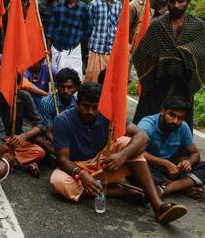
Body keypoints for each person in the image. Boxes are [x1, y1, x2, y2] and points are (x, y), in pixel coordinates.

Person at [50, 82, 188, 224]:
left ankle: (157, 205)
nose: (90, 111)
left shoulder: (109, 114)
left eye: (95, 107)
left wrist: (122, 156)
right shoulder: (63, 120)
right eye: (86, 106)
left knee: (126, 143)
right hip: (77, 166)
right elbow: (62, 159)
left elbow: (142, 137)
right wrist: (81, 174)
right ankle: (119, 191)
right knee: (58, 183)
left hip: (104, 162)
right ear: (77, 104)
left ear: (101, 105)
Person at [132, 0, 205, 132]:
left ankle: (180, 153)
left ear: (188, 2)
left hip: (183, 85)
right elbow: (142, 55)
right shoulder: (157, 25)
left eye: (180, 1)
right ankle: (140, 150)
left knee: (180, 126)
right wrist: (167, 59)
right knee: (146, 127)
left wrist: (181, 54)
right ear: (167, 1)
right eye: (172, 1)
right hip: (157, 84)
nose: (176, 5)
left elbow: (201, 53)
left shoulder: (198, 26)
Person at [139, 96, 205, 200]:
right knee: (137, 169)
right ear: (163, 111)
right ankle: (183, 187)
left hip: (170, 168)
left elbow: (195, 154)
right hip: (149, 164)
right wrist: (166, 164)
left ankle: (164, 190)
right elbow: (136, 152)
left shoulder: (183, 127)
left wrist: (189, 162)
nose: (175, 121)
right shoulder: (147, 124)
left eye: (180, 118)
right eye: (171, 115)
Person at [0, 87, 47, 177]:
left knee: (39, 152)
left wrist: (23, 136)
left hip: (15, 141)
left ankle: (9, 163)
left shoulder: (24, 96)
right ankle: (19, 165)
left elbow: (40, 124)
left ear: (19, 85)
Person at [46, 0, 92, 80]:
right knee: (55, 78)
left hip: (74, 49)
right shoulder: (58, 7)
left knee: (75, 78)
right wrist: (48, 49)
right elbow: (51, 28)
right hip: (56, 48)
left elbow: (88, 30)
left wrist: (78, 42)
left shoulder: (84, 8)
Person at [84, 0, 122, 82]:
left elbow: (119, 28)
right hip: (97, 49)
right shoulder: (94, 4)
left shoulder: (119, 5)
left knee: (109, 82)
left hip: (111, 50)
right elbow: (87, 28)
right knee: (93, 81)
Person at [39, 68, 80, 144]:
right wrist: (62, 145)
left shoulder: (77, 104)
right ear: (57, 87)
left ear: (75, 88)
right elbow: (48, 132)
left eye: (69, 87)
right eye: (62, 87)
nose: (65, 91)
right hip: (53, 140)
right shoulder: (46, 103)